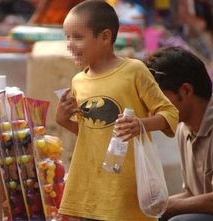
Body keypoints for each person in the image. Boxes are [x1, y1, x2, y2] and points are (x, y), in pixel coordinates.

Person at [55, 1, 179, 220]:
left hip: (124, 185)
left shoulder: (133, 71)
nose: (69, 44)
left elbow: (170, 113)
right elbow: (94, 134)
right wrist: (64, 121)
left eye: (77, 37)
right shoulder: (78, 81)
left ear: (104, 37)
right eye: (67, 37)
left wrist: (141, 124)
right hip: (90, 184)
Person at [145, 46, 213, 221]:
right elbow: (192, 193)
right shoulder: (184, 129)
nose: (152, 108)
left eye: (158, 99)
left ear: (186, 91)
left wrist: (169, 206)